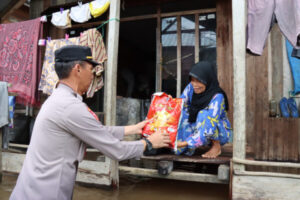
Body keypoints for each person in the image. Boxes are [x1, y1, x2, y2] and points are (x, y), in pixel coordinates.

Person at [10, 45, 171, 200]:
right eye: (91, 69)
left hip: (30, 189)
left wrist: (132, 129)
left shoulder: (59, 99)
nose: (93, 74)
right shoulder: (70, 107)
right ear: (78, 69)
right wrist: (149, 143)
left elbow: (94, 131)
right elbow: (117, 150)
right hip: (47, 193)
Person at [175, 61, 232, 158]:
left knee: (203, 114)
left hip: (218, 131)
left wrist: (183, 143)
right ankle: (188, 144)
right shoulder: (191, 88)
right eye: (192, 80)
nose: (195, 84)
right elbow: (180, 104)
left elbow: (209, 127)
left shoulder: (217, 96)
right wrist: (169, 103)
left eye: (198, 81)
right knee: (181, 111)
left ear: (207, 80)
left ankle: (216, 146)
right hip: (197, 126)